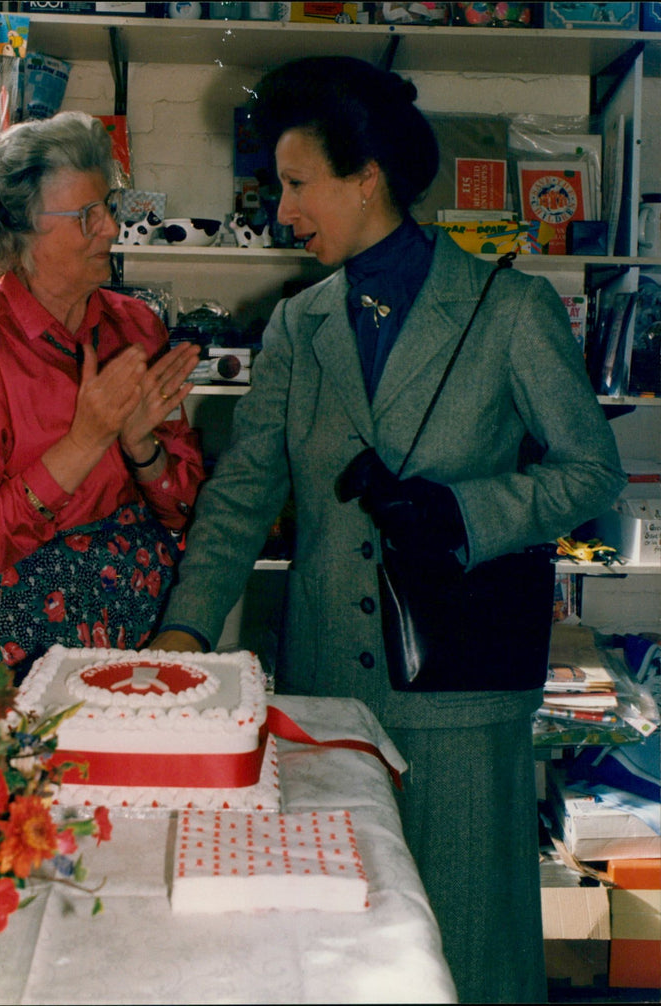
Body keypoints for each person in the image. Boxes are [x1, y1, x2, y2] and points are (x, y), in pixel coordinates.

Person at [150, 57, 626, 1003]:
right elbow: (243, 492)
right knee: (338, 946)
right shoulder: (298, 325)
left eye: (295, 184)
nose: (282, 212)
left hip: (460, 692)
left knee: (471, 946)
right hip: (329, 695)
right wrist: (186, 635)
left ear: (365, 176)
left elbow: (591, 472)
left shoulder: (510, 310)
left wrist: (467, 512)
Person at [0, 111, 205, 678]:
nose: (111, 230)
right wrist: (85, 442)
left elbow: (185, 518)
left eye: (108, 209)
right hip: (18, 660)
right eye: (86, 216)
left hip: (142, 641)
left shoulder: (136, 328)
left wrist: (143, 450)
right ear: (19, 233)